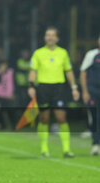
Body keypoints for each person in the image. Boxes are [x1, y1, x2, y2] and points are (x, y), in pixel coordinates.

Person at [27, 26, 80, 158]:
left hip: (59, 88)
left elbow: (68, 71)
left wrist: (74, 87)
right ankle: (44, 149)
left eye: (52, 35)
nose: (49, 37)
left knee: (61, 118)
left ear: (57, 38)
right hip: (44, 88)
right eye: (47, 35)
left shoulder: (63, 53)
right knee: (44, 119)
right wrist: (31, 86)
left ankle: (67, 150)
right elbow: (33, 71)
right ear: (45, 38)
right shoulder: (38, 53)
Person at [80, 34, 100, 155]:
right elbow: (83, 73)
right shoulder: (91, 55)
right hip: (93, 92)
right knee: (94, 117)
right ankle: (95, 144)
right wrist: (85, 91)